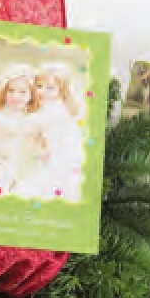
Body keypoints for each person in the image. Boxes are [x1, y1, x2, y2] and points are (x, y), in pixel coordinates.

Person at [29, 66, 85, 200]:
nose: (42, 91)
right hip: (53, 148)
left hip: (58, 152)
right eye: (39, 86)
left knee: (50, 181)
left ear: (61, 92)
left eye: (50, 88)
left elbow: (38, 127)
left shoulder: (55, 110)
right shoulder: (48, 105)